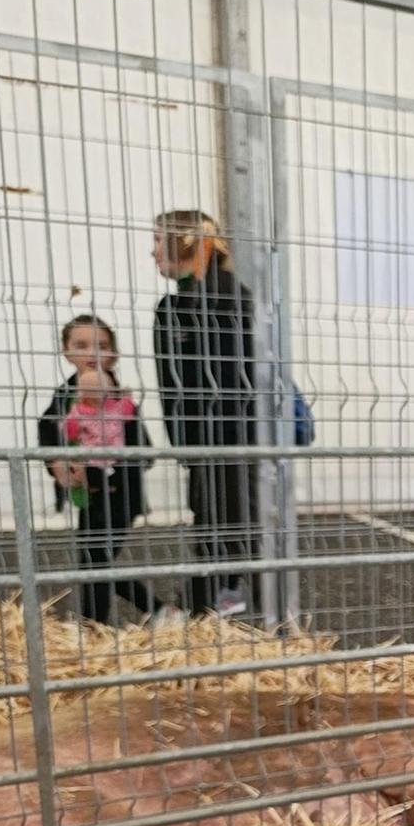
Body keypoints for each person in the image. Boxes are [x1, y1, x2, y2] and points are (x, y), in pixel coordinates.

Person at [153, 209, 256, 618]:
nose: (152, 251)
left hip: (235, 441)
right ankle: (212, 600)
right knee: (210, 522)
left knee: (230, 523)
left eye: (160, 240)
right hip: (201, 444)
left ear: (192, 243)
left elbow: (244, 379)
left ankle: (216, 601)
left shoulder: (235, 299)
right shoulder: (172, 307)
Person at [36, 314, 156, 626]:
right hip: (86, 495)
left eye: (102, 346)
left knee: (96, 560)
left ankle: (153, 611)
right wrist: (58, 464)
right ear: (66, 351)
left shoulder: (121, 400)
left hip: (120, 495)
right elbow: (48, 434)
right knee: (93, 559)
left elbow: (144, 450)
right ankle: (94, 625)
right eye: (82, 345)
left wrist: (112, 465)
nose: (93, 353)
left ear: (114, 355)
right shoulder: (64, 397)